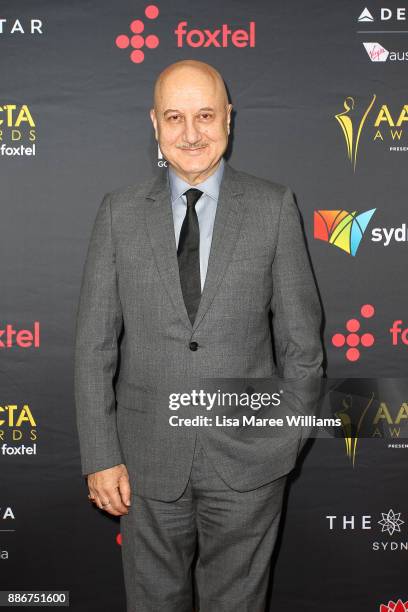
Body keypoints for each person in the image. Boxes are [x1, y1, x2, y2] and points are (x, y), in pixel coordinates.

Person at [74, 59, 323, 611]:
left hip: (250, 465)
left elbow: (303, 345)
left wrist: (283, 442)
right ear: (154, 124)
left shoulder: (273, 207)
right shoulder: (118, 214)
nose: (190, 134)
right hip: (142, 467)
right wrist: (100, 454)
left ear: (229, 120)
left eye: (205, 115)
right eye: (175, 117)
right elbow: (94, 349)